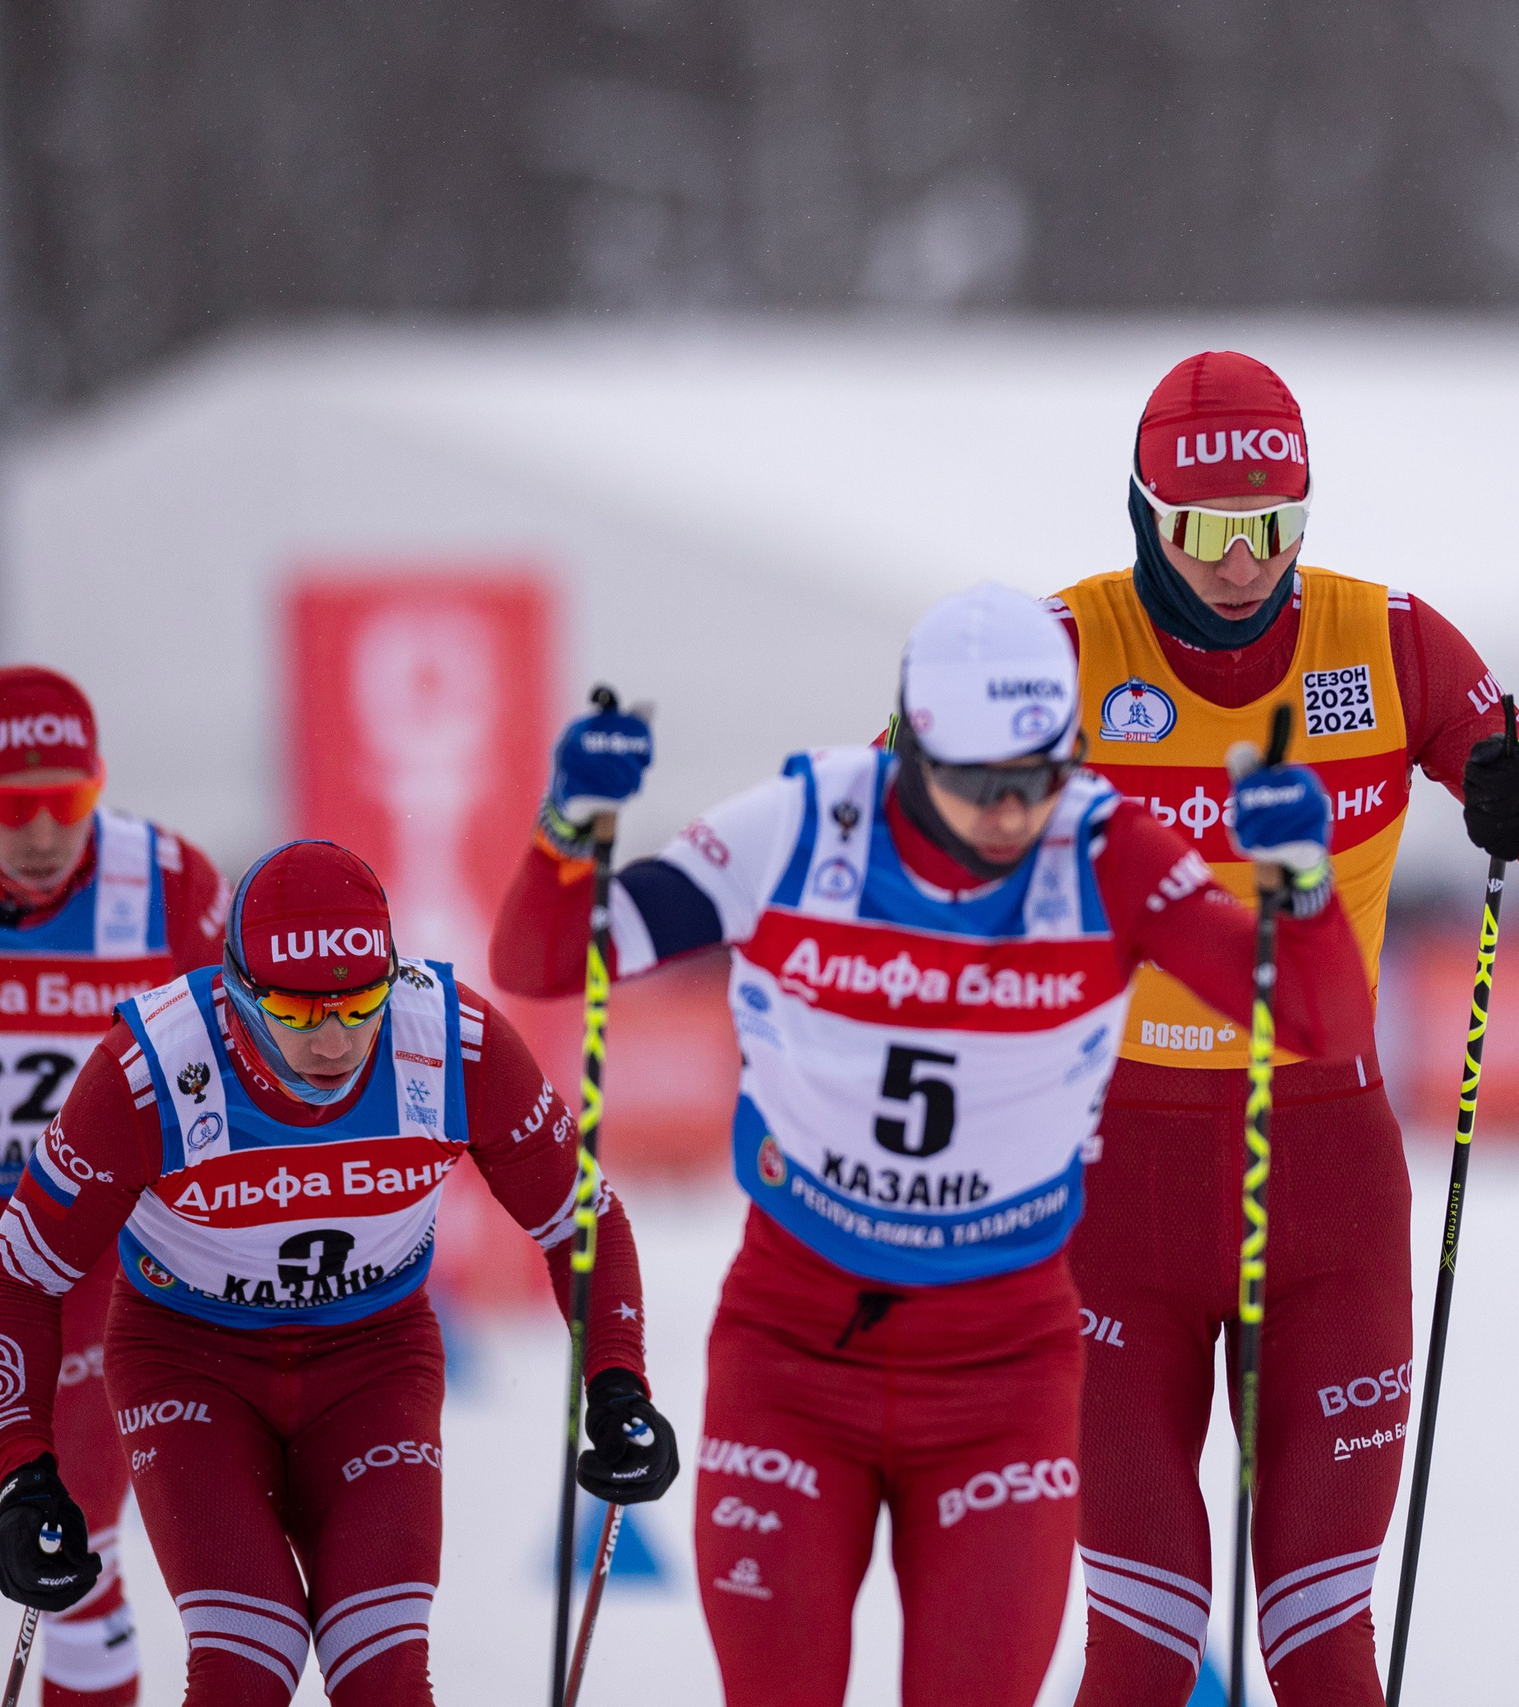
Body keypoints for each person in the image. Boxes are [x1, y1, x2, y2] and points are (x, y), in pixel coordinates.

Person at [489, 583, 1378, 1706]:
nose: (1009, 815)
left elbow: (1318, 1022)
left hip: (1002, 1371)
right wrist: (569, 824)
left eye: (1038, 775)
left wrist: (1299, 887)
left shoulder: (1102, 849)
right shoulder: (803, 825)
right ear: (912, 751)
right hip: (795, 1351)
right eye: (975, 784)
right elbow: (543, 958)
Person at [1049, 350, 1519, 1704]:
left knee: (1322, 1642)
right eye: (1204, 530)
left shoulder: (1393, 640)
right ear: (1144, 511)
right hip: (1110, 1186)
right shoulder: (1058, 652)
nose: (1243, 563)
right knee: (1139, 1644)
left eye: (1276, 528)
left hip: (1327, 1178)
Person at [0, 839, 672, 1706]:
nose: (336, 1038)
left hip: (372, 1359)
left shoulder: (448, 1042)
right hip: (191, 1362)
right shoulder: (155, 1067)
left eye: (358, 1002)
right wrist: (24, 1472)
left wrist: (618, 1384)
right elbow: (19, 1275)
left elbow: (584, 1218)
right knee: (247, 1657)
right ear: (236, 989)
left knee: (381, 1669)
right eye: (297, 1009)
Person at [0, 666, 231, 1707]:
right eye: (11, 807)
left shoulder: (169, 882)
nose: (44, 834)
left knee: (72, 1545)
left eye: (69, 803)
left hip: (84, 1238)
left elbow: (236, 1055)